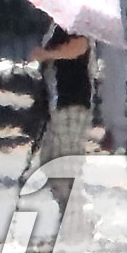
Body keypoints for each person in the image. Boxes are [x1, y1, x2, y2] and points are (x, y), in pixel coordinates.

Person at [28, 24, 94, 197]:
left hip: (73, 102)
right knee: (50, 159)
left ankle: (79, 212)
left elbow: (78, 47)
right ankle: (72, 210)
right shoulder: (57, 27)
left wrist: (47, 54)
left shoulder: (75, 25)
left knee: (65, 163)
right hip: (57, 104)